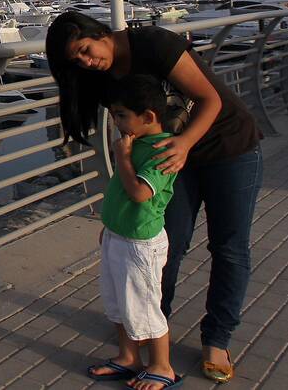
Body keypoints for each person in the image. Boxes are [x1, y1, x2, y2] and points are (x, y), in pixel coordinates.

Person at [46, 11, 262, 384]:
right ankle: (147, 328)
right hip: (167, 163)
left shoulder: (153, 44)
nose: (84, 61)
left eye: (84, 49)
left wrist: (184, 143)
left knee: (228, 247)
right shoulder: (101, 77)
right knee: (166, 244)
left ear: (100, 33)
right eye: (74, 60)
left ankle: (216, 339)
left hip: (227, 146)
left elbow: (209, 99)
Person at [86, 75, 180, 389]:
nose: (116, 122)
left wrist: (122, 158)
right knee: (118, 302)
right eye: (114, 115)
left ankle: (162, 366)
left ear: (149, 117)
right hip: (118, 235)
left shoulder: (163, 151)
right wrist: (110, 227)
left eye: (122, 115)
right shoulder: (136, 142)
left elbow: (140, 192)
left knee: (144, 304)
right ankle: (129, 357)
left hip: (140, 243)